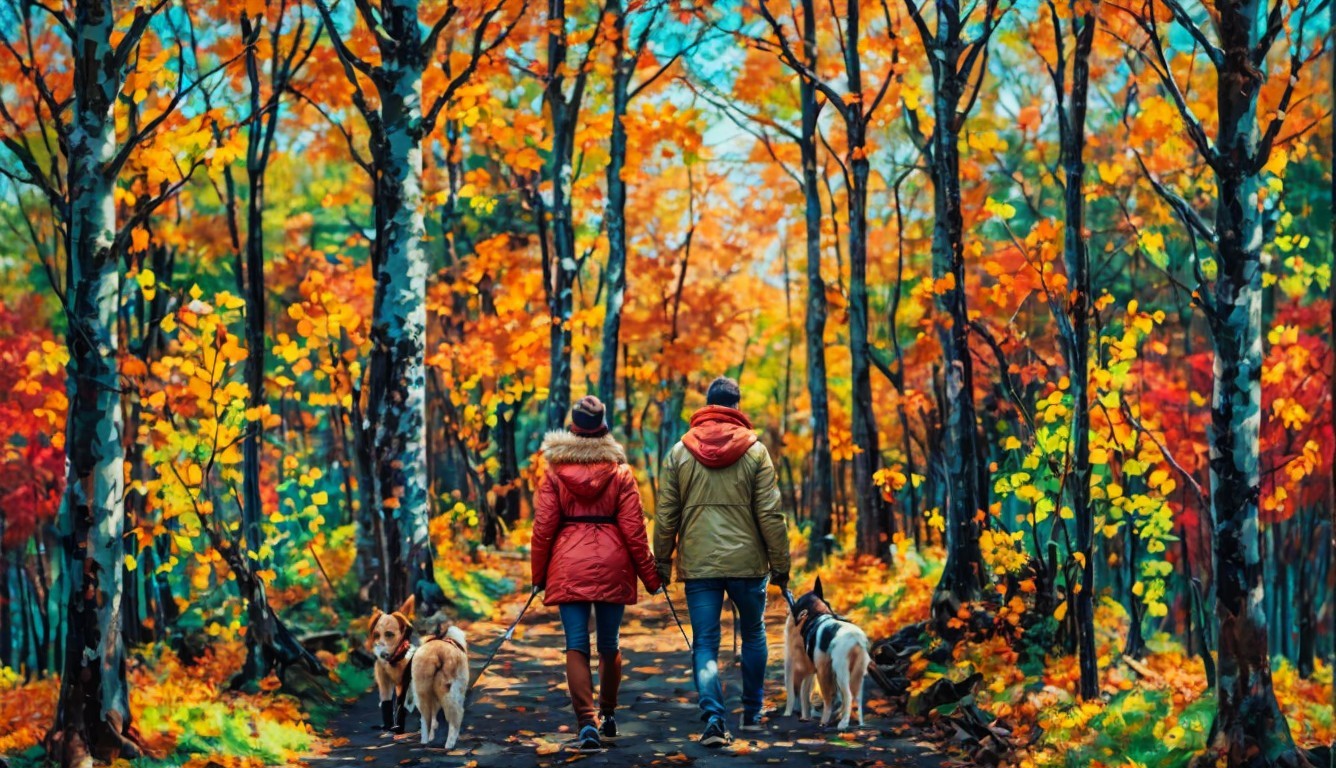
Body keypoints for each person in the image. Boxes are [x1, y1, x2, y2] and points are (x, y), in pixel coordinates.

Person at [653, 376, 790, 747]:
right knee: (753, 633)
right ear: (737, 407)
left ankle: (714, 717)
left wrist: (661, 562)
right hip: (748, 563)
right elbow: (770, 514)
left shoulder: (680, 453)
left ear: (708, 405)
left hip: (700, 564)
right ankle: (753, 710)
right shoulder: (756, 451)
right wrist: (781, 564)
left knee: (705, 644)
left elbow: (666, 514)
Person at [531, 396, 663, 752]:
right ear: (604, 428)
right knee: (609, 643)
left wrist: (538, 575)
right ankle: (607, 714)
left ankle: (585, 723)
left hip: (567, 562)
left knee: (576, 644)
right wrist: (651, 577)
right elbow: (635, 531)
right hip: (613, 562)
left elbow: (543, 528)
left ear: (573, 428)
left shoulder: (555, 472)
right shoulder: (620, 472)